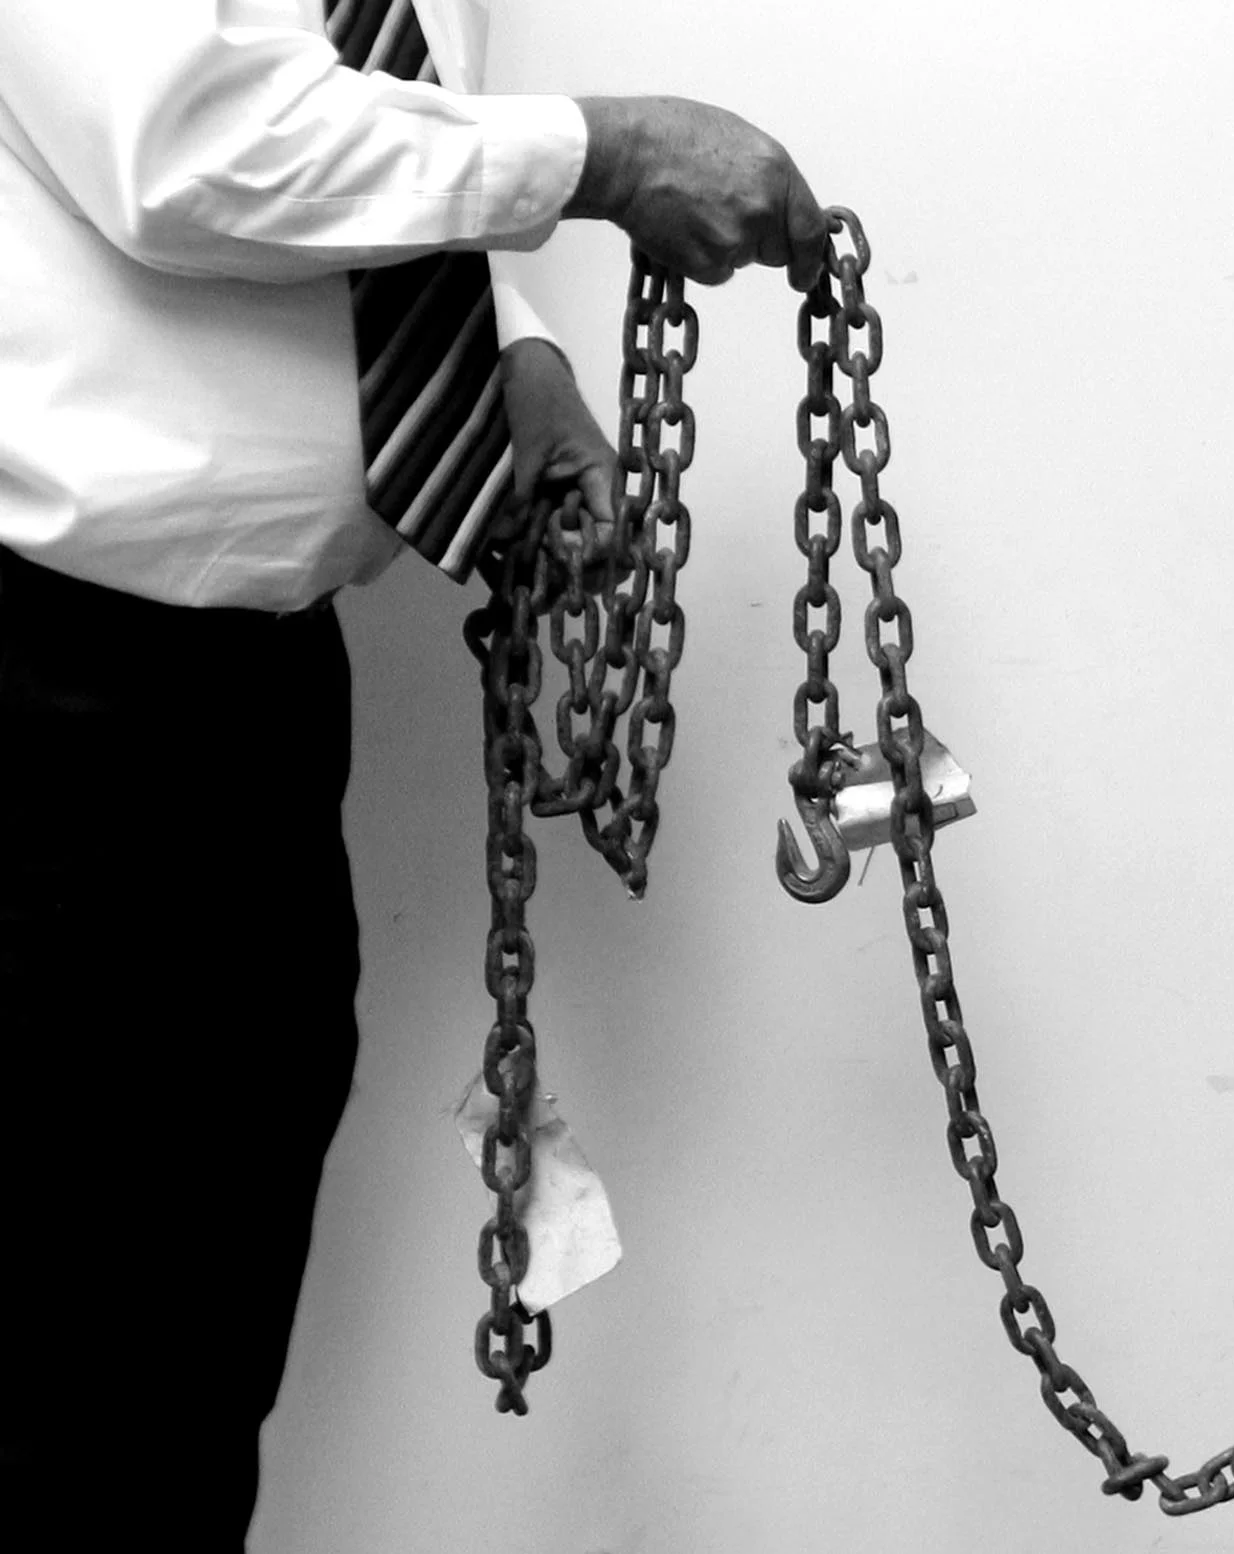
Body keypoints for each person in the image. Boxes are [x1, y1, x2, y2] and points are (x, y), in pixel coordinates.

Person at [0, 1, 823, 1545]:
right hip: (43, 686)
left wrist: (510, 354)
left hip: (251, 692)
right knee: (52, 1366)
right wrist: (605, 152)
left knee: (183, 1368)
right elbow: (182, 147)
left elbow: (363, 113)